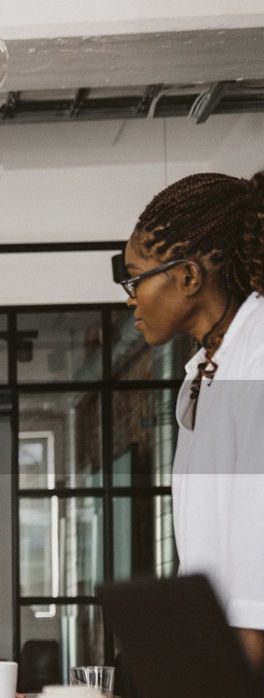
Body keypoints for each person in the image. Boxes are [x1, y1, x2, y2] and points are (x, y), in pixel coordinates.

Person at [117, 168, 264, 669]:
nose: (130, 297)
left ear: (188, 276)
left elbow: (255, 536)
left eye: (136, 278)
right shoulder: (202, 371)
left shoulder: (259, 351)